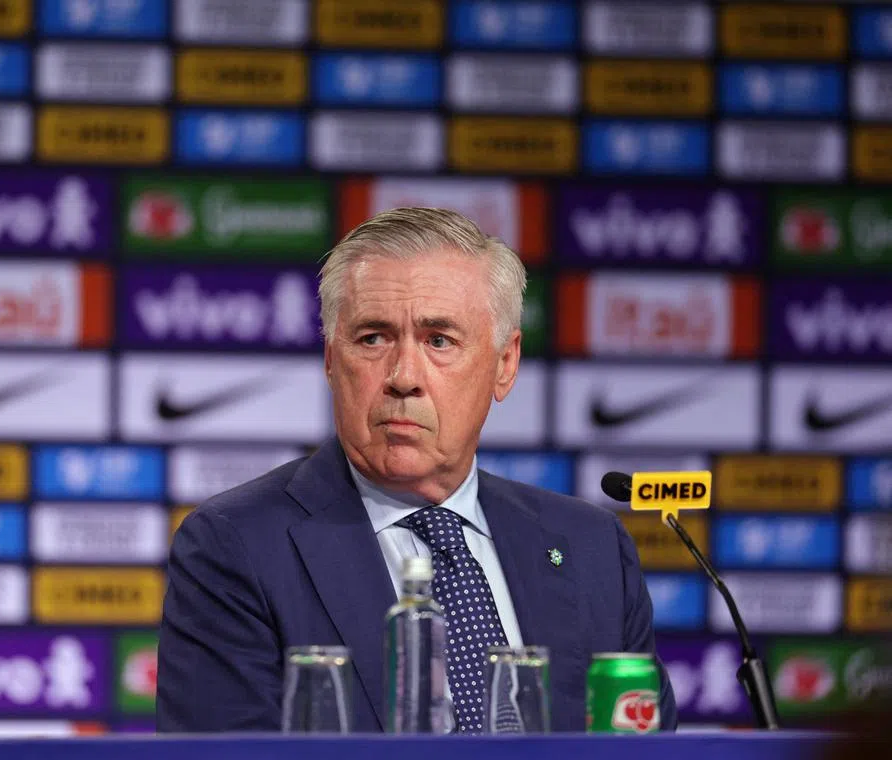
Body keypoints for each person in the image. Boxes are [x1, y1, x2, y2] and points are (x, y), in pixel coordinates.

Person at [156, 208, 678, 733]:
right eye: (373, 338)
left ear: (505, 364)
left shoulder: (591, 548)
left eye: (439, 340)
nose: (404, 376)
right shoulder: (235, 546)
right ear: (332, 360)